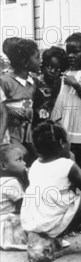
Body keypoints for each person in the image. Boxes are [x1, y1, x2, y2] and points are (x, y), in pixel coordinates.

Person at [20, 121, 81, 255]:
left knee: (73, 203)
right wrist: (73, 161)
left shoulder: (35, 165)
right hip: (54, 226)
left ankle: (57, 241)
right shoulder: (67, 164)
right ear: (62, 143)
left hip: (36, 226)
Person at [51, 32, 81, 187]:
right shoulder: (66, 74)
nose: (71, 56)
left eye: (76, 52)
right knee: (67, 159)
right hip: (66, 122)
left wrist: (76, 85)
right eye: (68, 52)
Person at [0, 38, 40, 166]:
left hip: (28, 131)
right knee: (22, 154)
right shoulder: (6, 81)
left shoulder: (34, 82)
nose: (40, 61)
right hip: (11, 132)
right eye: (37, 57)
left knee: (40, 155)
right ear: (25, 62)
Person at [0, 143, 28, 250]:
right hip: (8, 229)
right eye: (19, 160)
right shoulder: (12, 182)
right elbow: (25, 207)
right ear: (4, 165)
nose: (24, 163)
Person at [33, 46, 68, 124]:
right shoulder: (35, 83)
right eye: (50, 67)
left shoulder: (63, 85)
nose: (52, 71)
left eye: (57, 69)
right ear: (44, 66)